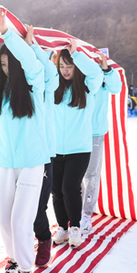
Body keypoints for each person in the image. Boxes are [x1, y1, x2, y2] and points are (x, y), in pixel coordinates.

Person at [0, 8, 50, 273]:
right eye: (1, 64)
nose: (5, 69)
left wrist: (8, 35)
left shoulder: (35, 86)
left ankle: (26, 271)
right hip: (5, 163)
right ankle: (13, 261)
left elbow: (31, 63)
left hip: (31, 162)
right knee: (2, 220)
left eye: (9, 63)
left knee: (20, 220)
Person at [51, 41, 102, 248]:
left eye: (69, 66)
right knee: (56, 190)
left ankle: (75, 227)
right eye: (61, 66)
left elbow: (97, 72)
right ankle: (62, 227)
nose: (65, 70)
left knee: (70, 188)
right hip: (54, 149)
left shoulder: (88, 88)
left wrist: (77, 55)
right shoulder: (53, 88)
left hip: (79, 149)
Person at [24, 27, 59, 269]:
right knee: (19, 207)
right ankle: (21, 249)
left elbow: (50, 74)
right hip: (19, 155)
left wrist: (33, 48)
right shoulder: (19, 85)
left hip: (43, 154)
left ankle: (44, 238)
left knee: (37, 205)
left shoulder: (47, 86)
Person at [80, 52, 123, 235]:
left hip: (96, 132)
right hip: (75, 131)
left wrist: (106, 69)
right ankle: (75, 210)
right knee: (73, 176)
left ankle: (86, 214)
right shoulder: (78, 74)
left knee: (91, 175)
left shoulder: (104, 76)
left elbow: (117, 88)